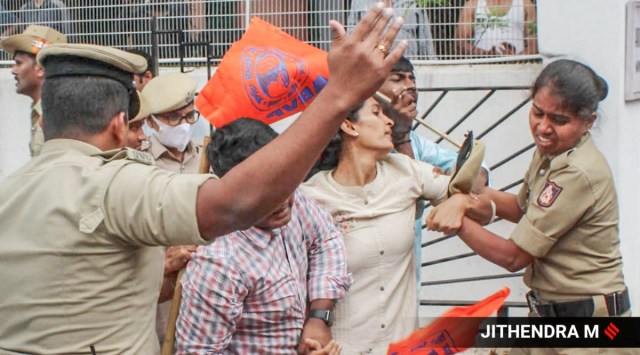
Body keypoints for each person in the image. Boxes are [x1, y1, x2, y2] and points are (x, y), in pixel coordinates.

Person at [0, 5, 407, 353]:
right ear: (120, 124)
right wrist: (337, 96)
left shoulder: (10, 192)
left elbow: (91, 294)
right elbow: (237, 204)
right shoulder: (113, 186)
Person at [427, 60, 631, 353]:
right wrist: (471, 194)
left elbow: (513, 257)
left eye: (559, 120)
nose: (543, 128)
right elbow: (524, 208)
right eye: (537, 113)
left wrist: (458, 217)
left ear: (588, 122)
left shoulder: (578, 171)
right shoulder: (553, 152)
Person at [300, 95, 491, 354]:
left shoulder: (406, 171)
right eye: (377, 113)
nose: (389, 122)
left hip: (403, 348)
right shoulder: (312, 197)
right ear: (349, 126)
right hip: (340, 349)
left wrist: (461, 203)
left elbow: (484, 209)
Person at [175, 118, 351, 354]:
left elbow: (326, 240)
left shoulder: (295, 201)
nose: (281, 199)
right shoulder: (220, 263)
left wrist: (319, 317)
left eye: (282, 182)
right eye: (262, 193)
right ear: (230, 193)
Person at [378, 55, 489, 302]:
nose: (410, 88)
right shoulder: (359, 141)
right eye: (397, 79)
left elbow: (478, 177)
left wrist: (455, 180)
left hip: (407, 285)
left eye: (412, 79)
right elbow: (410, 193)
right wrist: (401, 135)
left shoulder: (415, 142)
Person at [0, 24, 67, 157]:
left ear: (40, 69)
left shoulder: (58, 115)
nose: (13, 70)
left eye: (19, 63)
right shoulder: (42, 109)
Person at [142, 72, 202, 173]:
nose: (184, 125)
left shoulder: (206, 154)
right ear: (150, 121)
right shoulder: (141, 161)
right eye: (174, 117)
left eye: (190, 115)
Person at [348, 0, 436, 59]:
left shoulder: (413, 1)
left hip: (407, 63)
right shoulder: (359, 1)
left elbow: (424, 35)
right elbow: (352, 31)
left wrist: (431, 62)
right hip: (372, 63)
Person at [456, 0, 537, 57]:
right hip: (483, 66)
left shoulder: (526, 4)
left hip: (518, 67)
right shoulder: (472, 5)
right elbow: (460, 41)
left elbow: (534, 43)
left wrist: (516, 58)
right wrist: (485, 54)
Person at [2, 0, 71, 37]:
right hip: (32, 49)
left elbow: (68, 31)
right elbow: (23, 33)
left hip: (52, 48)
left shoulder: (58, 5)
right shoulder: (24, 8)